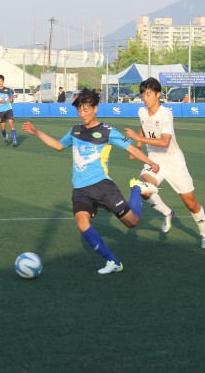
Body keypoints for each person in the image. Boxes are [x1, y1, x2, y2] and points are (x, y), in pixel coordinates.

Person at [22, 88, 159, 274]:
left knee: (132, 222)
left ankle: (136, 188)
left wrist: (150, 162)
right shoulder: (75, 130)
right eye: (79, 110)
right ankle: (113, 262)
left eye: (86, 109)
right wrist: (36, 131)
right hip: (80, 189)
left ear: (95, 108)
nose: (82, 113)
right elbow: (58, 146)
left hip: (102, 186)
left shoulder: (107, 131)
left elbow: (132, 149)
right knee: (82, 222)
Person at [124, 77, 205, 249]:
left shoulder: (165, 114)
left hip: (174, 162)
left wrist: (137, 138)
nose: (145, 97)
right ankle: (167, 212)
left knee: (190, 203)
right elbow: (144, 126)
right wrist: (139, 146)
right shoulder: (142, 111)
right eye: (143, 94)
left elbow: (165, 142)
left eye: (148, 94)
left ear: (158, 95)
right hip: (155, 159)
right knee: (143, 189)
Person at [0, 74, 17, 147]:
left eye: (1, 81)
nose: (0, 82)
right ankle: (5, 136)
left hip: (8, 109)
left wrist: (8, 100)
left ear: (3, 81)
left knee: (11, 124)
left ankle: (14, 139)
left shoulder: (8, 90)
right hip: (0, 111)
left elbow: (11, 100)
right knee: (3, 129)